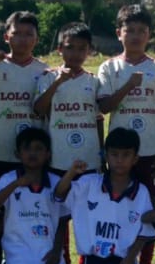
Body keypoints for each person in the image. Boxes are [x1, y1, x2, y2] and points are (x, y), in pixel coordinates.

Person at [98, 3, 155, 264]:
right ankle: (112, 257)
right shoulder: (110, 67)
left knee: (147, 210)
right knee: (115, 208)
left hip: (149, 151)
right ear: (119, 33)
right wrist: (128, 86)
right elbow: (104, 107)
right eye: (130, 30)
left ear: (149, 34)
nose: (136, 36)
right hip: (118, 155)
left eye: (142, 31)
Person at [55, 128, 155, 264]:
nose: (119, 160)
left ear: (135, 159)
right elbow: (59, 194)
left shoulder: (140, 191)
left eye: (126, 155)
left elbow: (145, 230)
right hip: (96, 256)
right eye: (114, 154)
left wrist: (131, 257)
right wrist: (71, 172)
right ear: (105, 156)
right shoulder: (89, 183)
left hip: (123, 256)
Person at [0, 125, 69, 264]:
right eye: (27, 149)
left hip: (48, 253)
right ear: (18, 154)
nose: (33, 154)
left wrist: (56, 250)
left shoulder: (56, 182)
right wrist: (15, 185)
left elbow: (62, 221)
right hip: (19, 254)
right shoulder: (8, 179)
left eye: (39, 149)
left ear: (48, 154)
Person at [0, 10, 49, 182]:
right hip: (0, 151)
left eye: (29, 34)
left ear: (36, 39)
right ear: (6, 37)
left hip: (33, 153)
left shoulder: (44, 70)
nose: (23, 39)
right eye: (17, 34)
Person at [33, 23, 104, 176]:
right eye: (70, 47)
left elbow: (98, 120)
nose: (75, 54)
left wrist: (101, 154)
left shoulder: (94, 81)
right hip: (58, 157)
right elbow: (39, 110)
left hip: (89, 158)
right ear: (60, 49)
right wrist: (58, 82)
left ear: (89, 51)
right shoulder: (48, 77)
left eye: (82, 48)